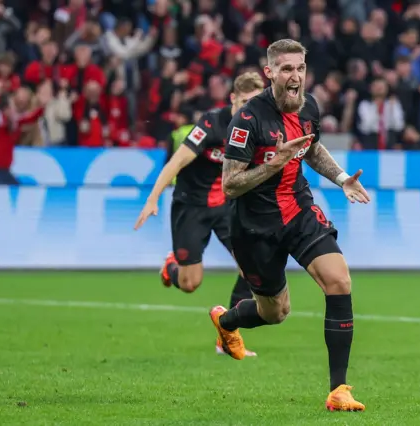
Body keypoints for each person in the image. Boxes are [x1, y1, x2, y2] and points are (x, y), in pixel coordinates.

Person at [210, 39, 370, 412]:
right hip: (254, 227)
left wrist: (342, 178)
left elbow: (311, 147)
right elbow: (229, 185)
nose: (295, 76)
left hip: (298, 210)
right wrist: (274, 163)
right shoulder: (247, 120)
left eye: (299, 68)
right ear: (270, 73)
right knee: (275, 313)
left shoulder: (309, 105)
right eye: (286, 69)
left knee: (339, 280)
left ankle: (338, 390)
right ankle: (227, 319)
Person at [134, 72, 265, 357]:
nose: (247, 110)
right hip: (191, 206)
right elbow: (177, 161)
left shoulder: (255, 129)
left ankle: (227, 336)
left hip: (226, 208)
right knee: (190, 284)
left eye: (254, 103)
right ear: (232, 99)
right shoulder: (211, 124)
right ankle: (172, 267)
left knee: (251, 266)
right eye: (244, 102)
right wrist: (153, 198)